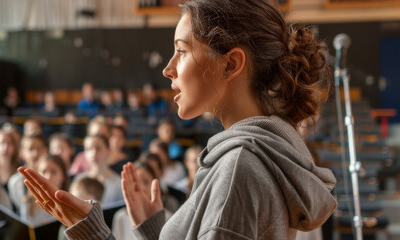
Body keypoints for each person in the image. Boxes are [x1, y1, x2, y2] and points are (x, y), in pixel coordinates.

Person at [18, 0, 337, 239]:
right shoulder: (254, 157)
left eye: (182, 51)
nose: (168, 68)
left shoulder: (239, 170)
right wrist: (157, 229)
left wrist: (92, 233)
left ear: (230, 65)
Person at [22, 155, 69, 226]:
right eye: (44, 171)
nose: (48, 176)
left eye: (53, 172)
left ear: (63, 176)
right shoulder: (28, 202)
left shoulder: (69, 203)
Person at [74, 135, 122, 204]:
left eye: (98, 148)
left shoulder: (118, 183)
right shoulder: (79, 179)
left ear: (108, 150)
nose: (93, 153)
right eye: (88, 149)